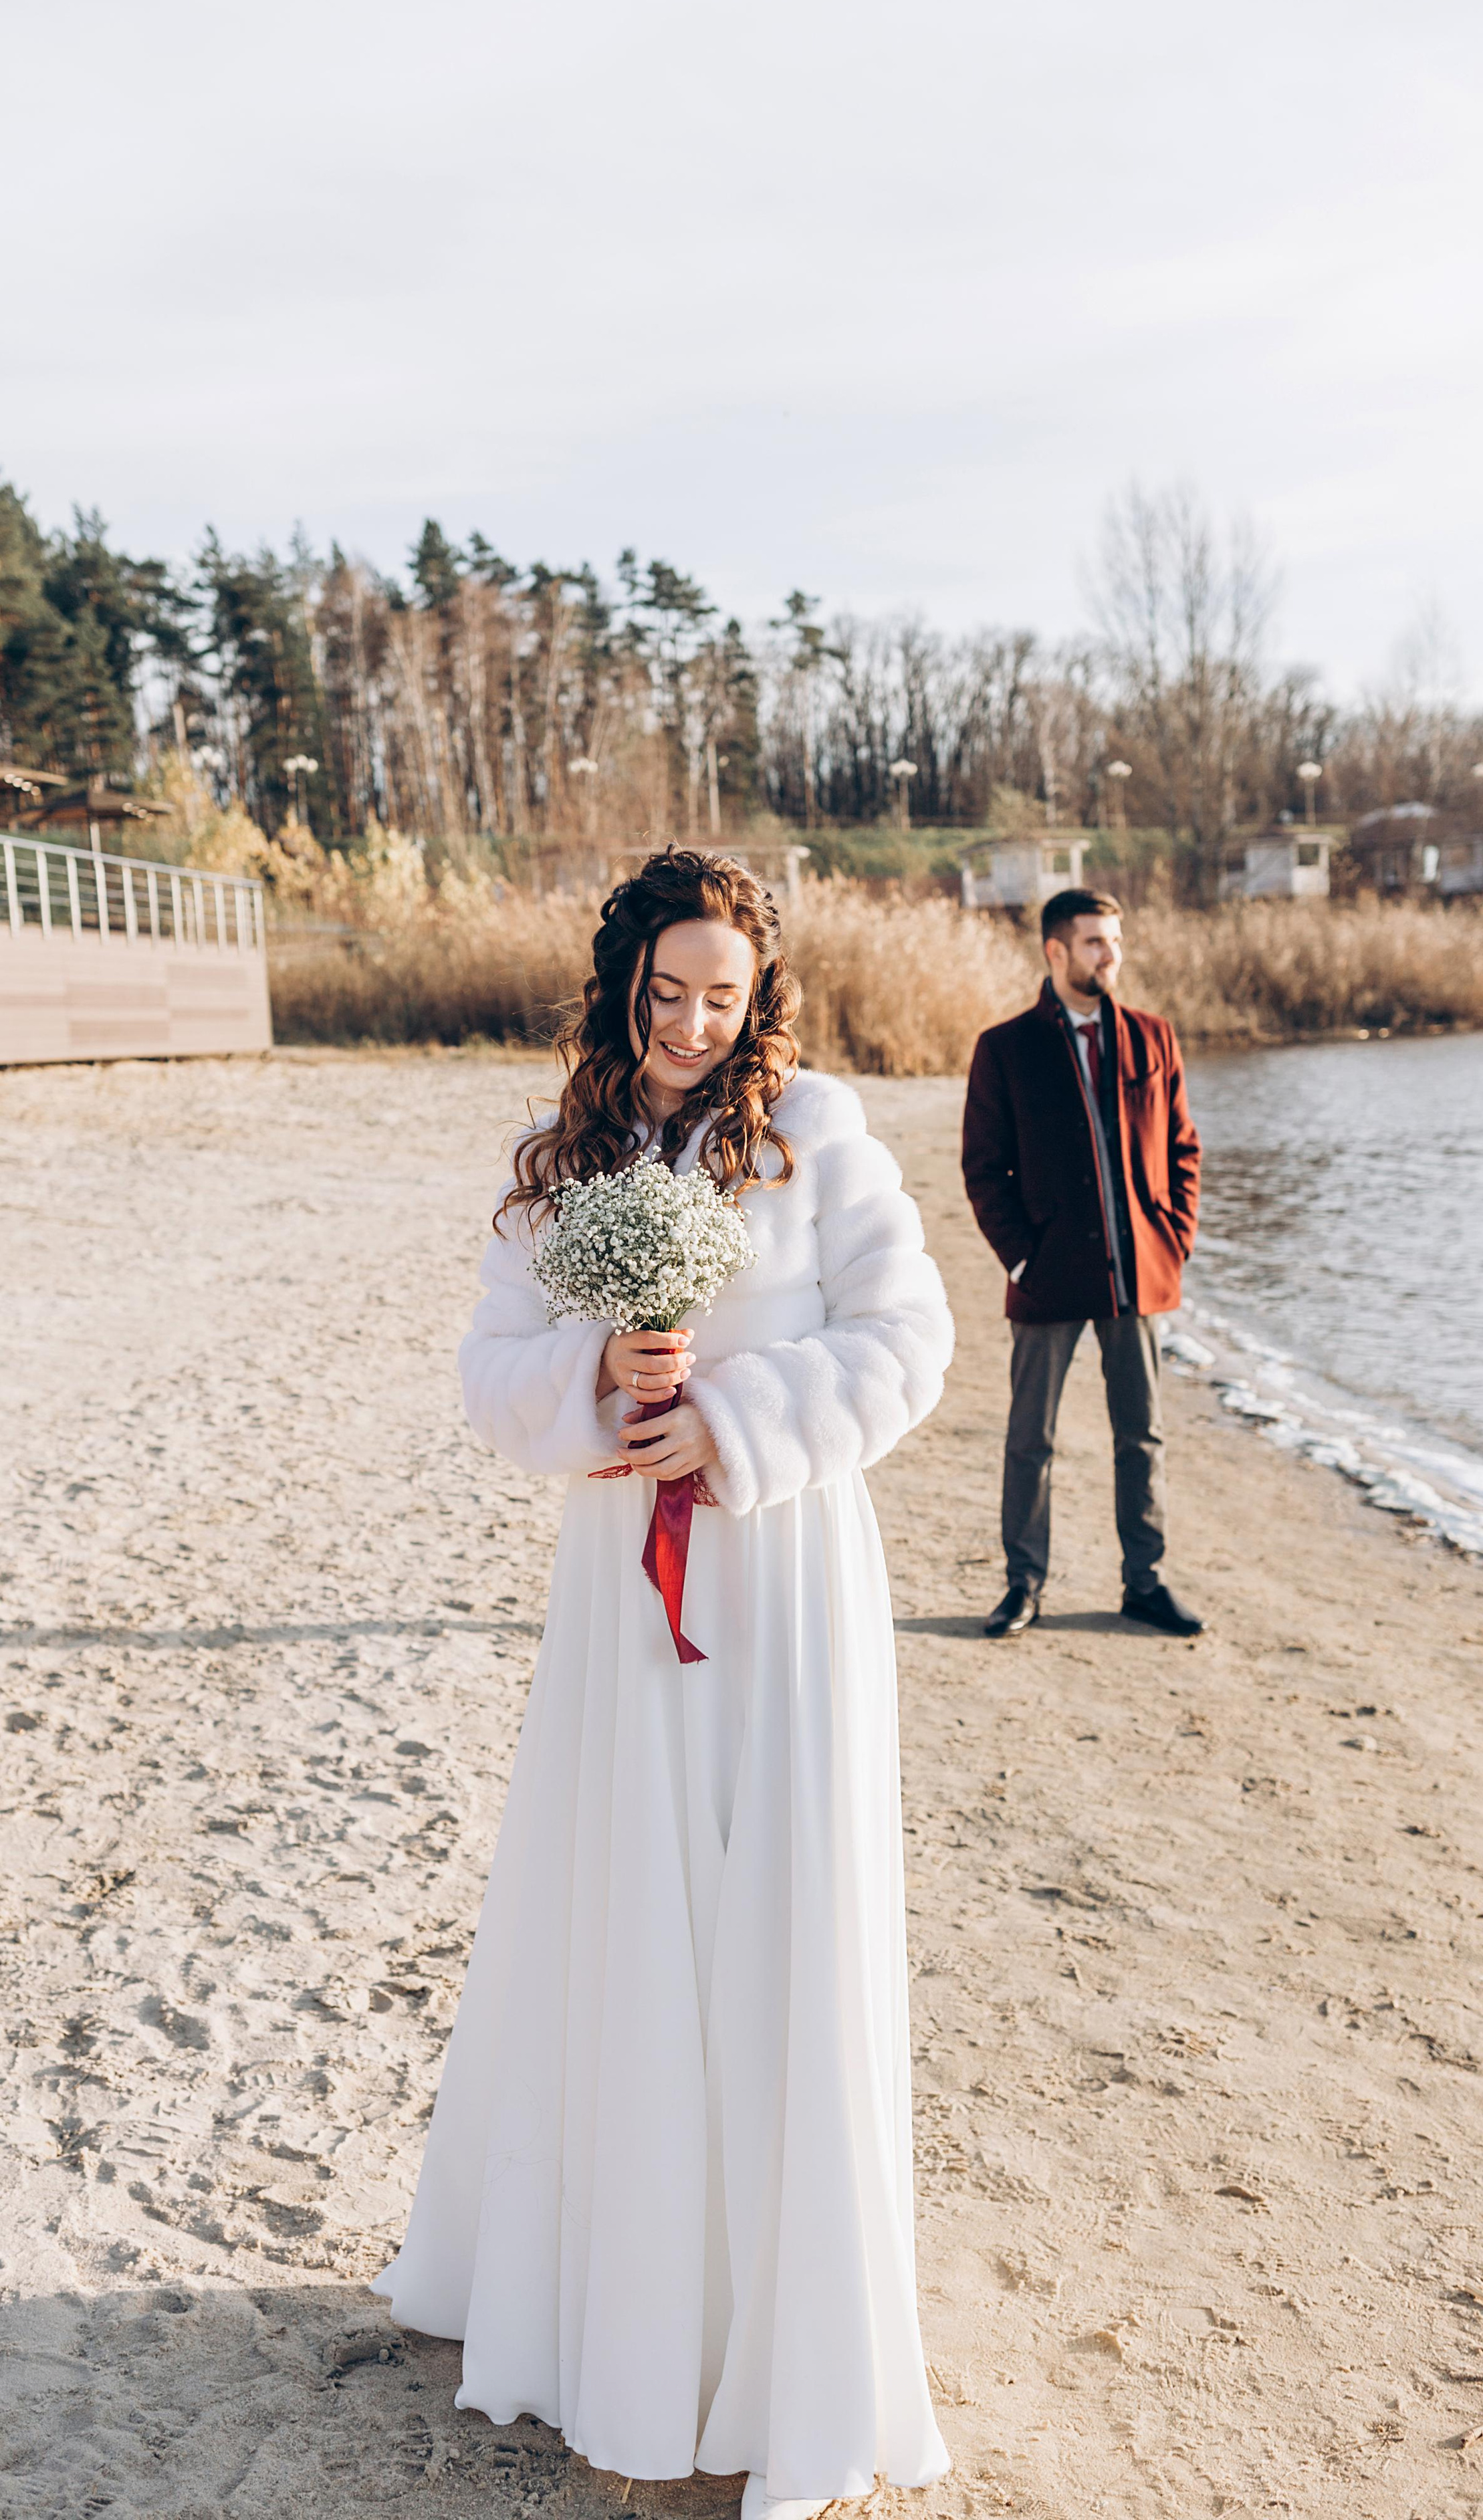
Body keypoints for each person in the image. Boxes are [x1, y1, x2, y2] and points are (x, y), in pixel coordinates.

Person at [374, 849, 954, 2520]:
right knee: (628, 1912)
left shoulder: (819, 1131)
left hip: (782, 1572)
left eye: (724, 994)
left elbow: (905, 1338)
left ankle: (781, 2341)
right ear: (621, 982)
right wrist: (596, 1376)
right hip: (623, 1592)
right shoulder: (565, 1159)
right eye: (666, 991)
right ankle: (615, 2319)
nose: (694, 1023)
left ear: (758, 993)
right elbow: (490, 1381)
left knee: (777, 1915)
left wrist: (736, 1420)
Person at [960, 885, 1202, 1638]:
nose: (1111, 956)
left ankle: (1145, 1583)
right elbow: (982, 1169)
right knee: (1030, 1438)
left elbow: (1184, 1150)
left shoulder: (1153, 1037)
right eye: (1096, 942)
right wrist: (1022, 1263)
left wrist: (1174, 1237)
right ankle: (1022, 1586)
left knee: (1143, 1436)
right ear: (1055, 951)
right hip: (1048, 1276)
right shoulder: (1005, 1048)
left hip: (1139, 1273)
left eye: (1116, 942)